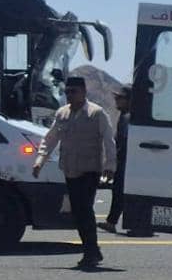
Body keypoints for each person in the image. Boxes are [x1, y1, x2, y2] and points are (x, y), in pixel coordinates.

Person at [32, 76, 116, 269]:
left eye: (73, 91)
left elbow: (109, 141)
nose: (69, 95)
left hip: (89, 170)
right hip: (70, 169)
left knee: (85, 210)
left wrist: (110, 166)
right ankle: (92, 250)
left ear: (83, 92)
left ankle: (90, 252)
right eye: (67, 92)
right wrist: (40, 161)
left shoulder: (96, 113)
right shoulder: (62, 113)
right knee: (78, 212)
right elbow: (50, 138)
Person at [99, 86, 132, 233]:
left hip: (125, 162)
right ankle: (112, 221)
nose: (116, 101)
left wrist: (114, 163)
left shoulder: (127, 118)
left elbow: (123, 143)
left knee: (119, 192)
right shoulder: (125, 116)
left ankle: (113, 222)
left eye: (120, 98)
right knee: (120, 193)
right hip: (125, 161)